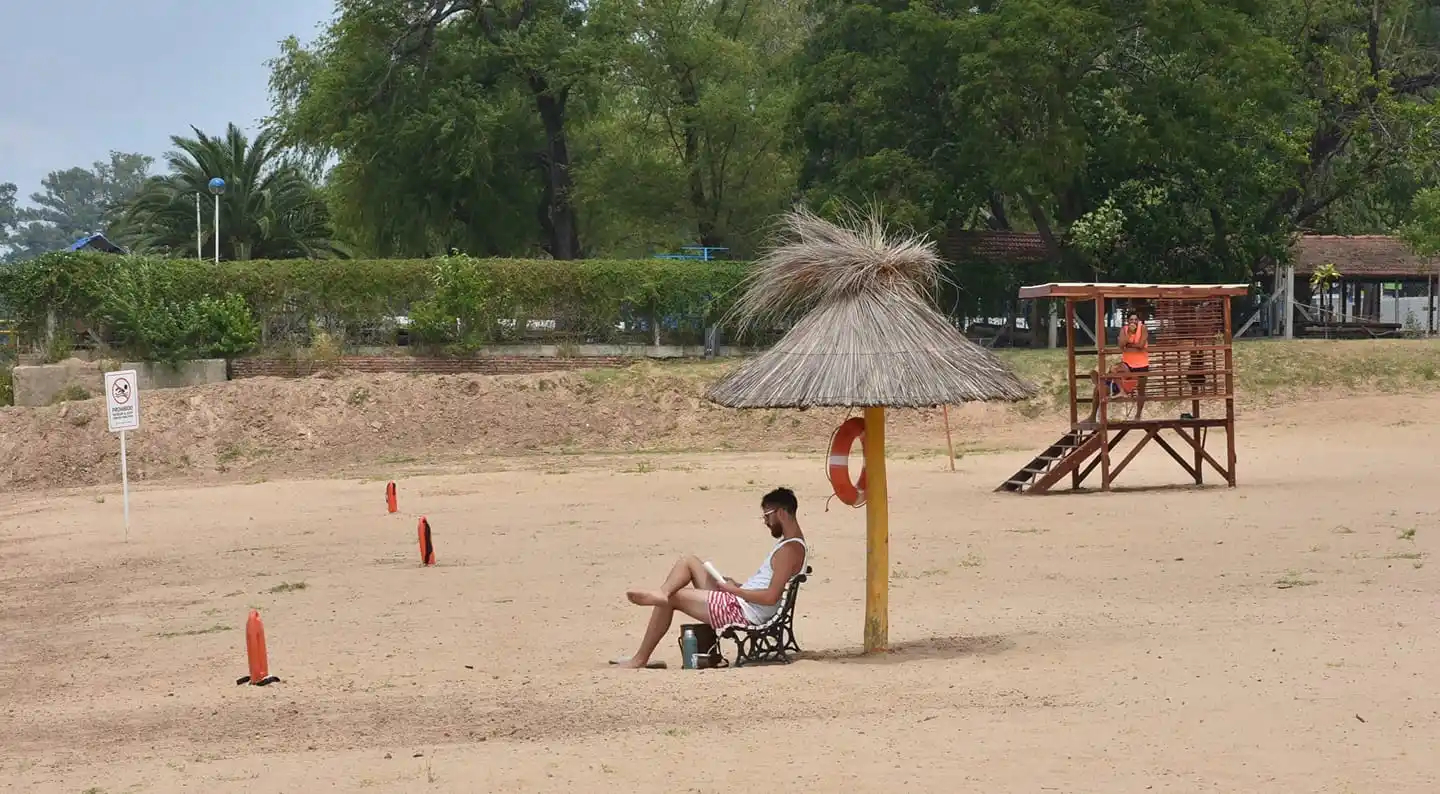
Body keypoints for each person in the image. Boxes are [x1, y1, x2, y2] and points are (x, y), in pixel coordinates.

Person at [614, 487, 808, 670]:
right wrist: (737, 585)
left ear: (781, 513)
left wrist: (735, 591)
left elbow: (771, 597)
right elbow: (768, 587)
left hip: (742, 611)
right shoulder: (790, 545)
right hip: (741, 602)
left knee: (675, 597)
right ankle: (662, 593)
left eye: (767, 516)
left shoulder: (789, 551)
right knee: (688, 561)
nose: (765, 522)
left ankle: (640, 659)